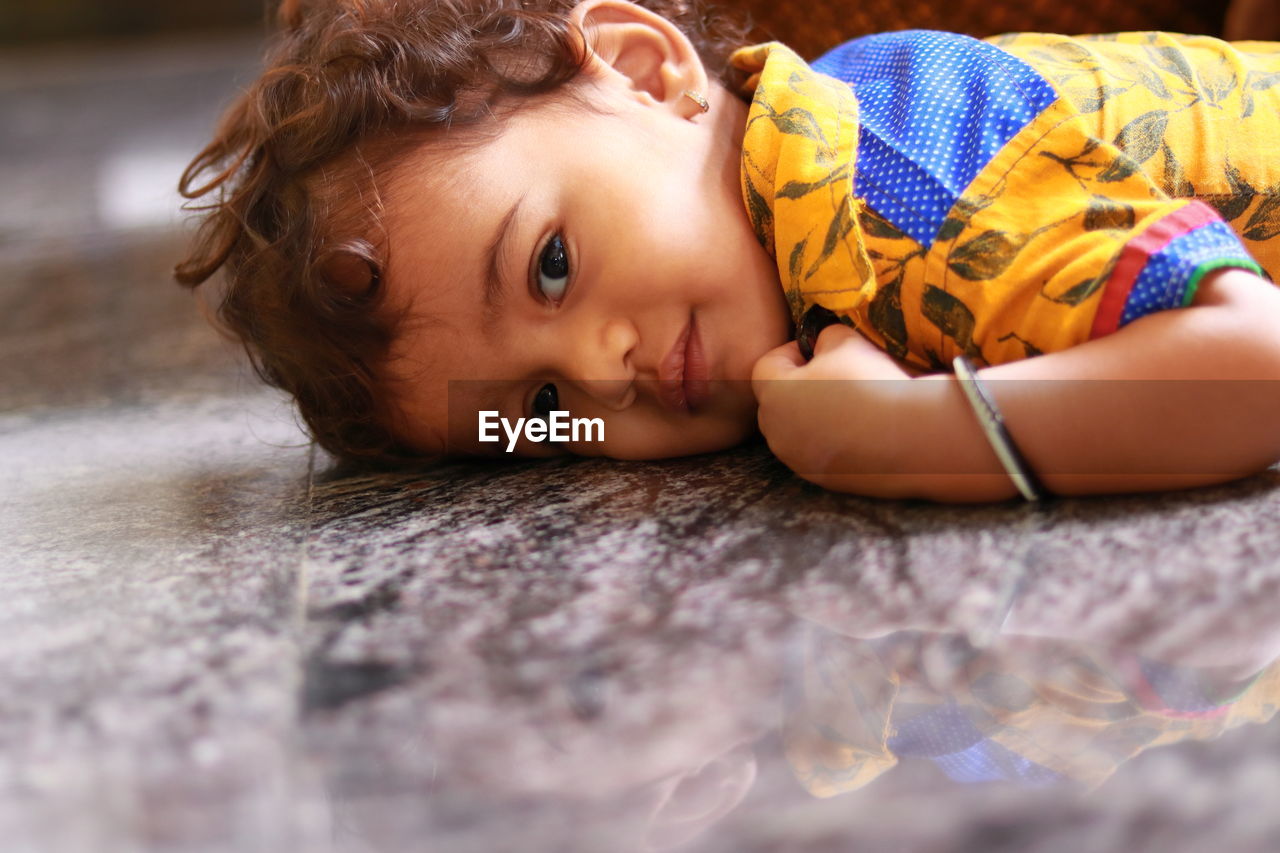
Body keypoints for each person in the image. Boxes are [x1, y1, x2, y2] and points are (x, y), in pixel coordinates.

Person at [176, 0, 1280, 502]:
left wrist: (912, 443)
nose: (604, 374)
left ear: (644, 70)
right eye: (546, 408)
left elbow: (1247, 368)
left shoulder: (896, 170)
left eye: (550, 265)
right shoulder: (797, 254)